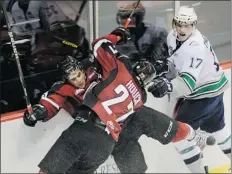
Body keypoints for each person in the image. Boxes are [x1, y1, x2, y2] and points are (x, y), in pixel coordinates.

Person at [24, 27, 214, 174]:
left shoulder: (109, 75)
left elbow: (103, 48)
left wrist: (117, 36)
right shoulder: (113, 74)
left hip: (123, 123)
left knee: (161, 130)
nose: (78, 80)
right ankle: (192, 135)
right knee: (133, 162)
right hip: (110, 130)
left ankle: (193, 135)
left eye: (78, 74)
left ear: (83, 69)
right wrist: (40, 111)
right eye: (72, 78)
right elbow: (52, 101)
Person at [147, 5, 231, 170]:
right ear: (175, 23)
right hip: (214, 89)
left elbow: (187, 84)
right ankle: (198, 138)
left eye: (188, 25)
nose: (183, 29)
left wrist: (167, 85)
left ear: (194, 25)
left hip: (203, 94)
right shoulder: (172, 36)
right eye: (180, 24)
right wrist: (162, 67)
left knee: (177, 133)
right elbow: (174, 60)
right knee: (217, 128)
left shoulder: (195, 46)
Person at [115, 1, 169, 75]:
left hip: (153, 77)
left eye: (129, 18)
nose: (126, 22)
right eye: (122, 18)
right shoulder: (119, 38)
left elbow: (163, 62)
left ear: (139, 17)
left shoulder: (156, 34)